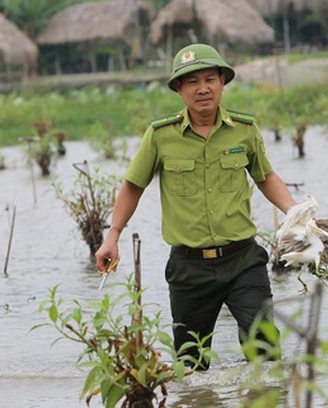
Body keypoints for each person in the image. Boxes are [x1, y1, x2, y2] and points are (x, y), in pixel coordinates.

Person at [95, 43, 297, 369]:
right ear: (179, 89)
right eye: (192, 82)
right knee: (191, 366)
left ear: (222, 83)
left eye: (209, 79)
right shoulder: (160, 135)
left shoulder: (244, 130)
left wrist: (296, 212)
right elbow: (133, 185)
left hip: (243, 261)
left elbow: (266, 177)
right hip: (189, 269)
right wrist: (112, 234)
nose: (202, 89)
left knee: (265, 352)